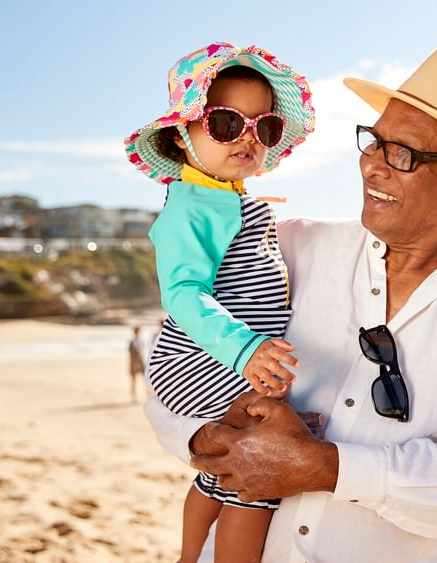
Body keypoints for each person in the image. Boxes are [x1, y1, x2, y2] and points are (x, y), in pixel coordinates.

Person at [144, 43, 437, 562]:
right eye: (373, 143)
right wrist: (210, 438)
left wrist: (322, 466)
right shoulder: (282, 245)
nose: (372, 167)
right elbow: (173, 366)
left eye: (403, 153)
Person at [124, 42, 315, 563]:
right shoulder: (190, 208)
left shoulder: (221, 196)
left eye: (265, 128)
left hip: (219, 356)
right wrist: (244, 349)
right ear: (181, 135)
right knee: (260, 472)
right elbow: (183, 294)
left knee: (224, 470)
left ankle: (190, 556)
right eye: (227, 124)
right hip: (205, 357)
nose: (248, 138)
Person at [127, 325, 145, 403]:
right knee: (134, 381)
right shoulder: (132, 342)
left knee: (144, 380)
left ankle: (147, 394)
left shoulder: (141, 341)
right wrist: (133, 364)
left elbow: (141, 353)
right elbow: (131, 354)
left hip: (140, 362)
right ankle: (133, 397)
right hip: (134, 363)